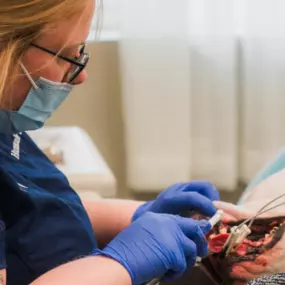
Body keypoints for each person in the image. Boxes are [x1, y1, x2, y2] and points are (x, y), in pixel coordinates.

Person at [0, 0, 220, 284]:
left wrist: (135, 216)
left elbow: (34, 213)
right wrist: (120, 263)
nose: (81, 77)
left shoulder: (6, 124)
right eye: (63, 57)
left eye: (79, 54)